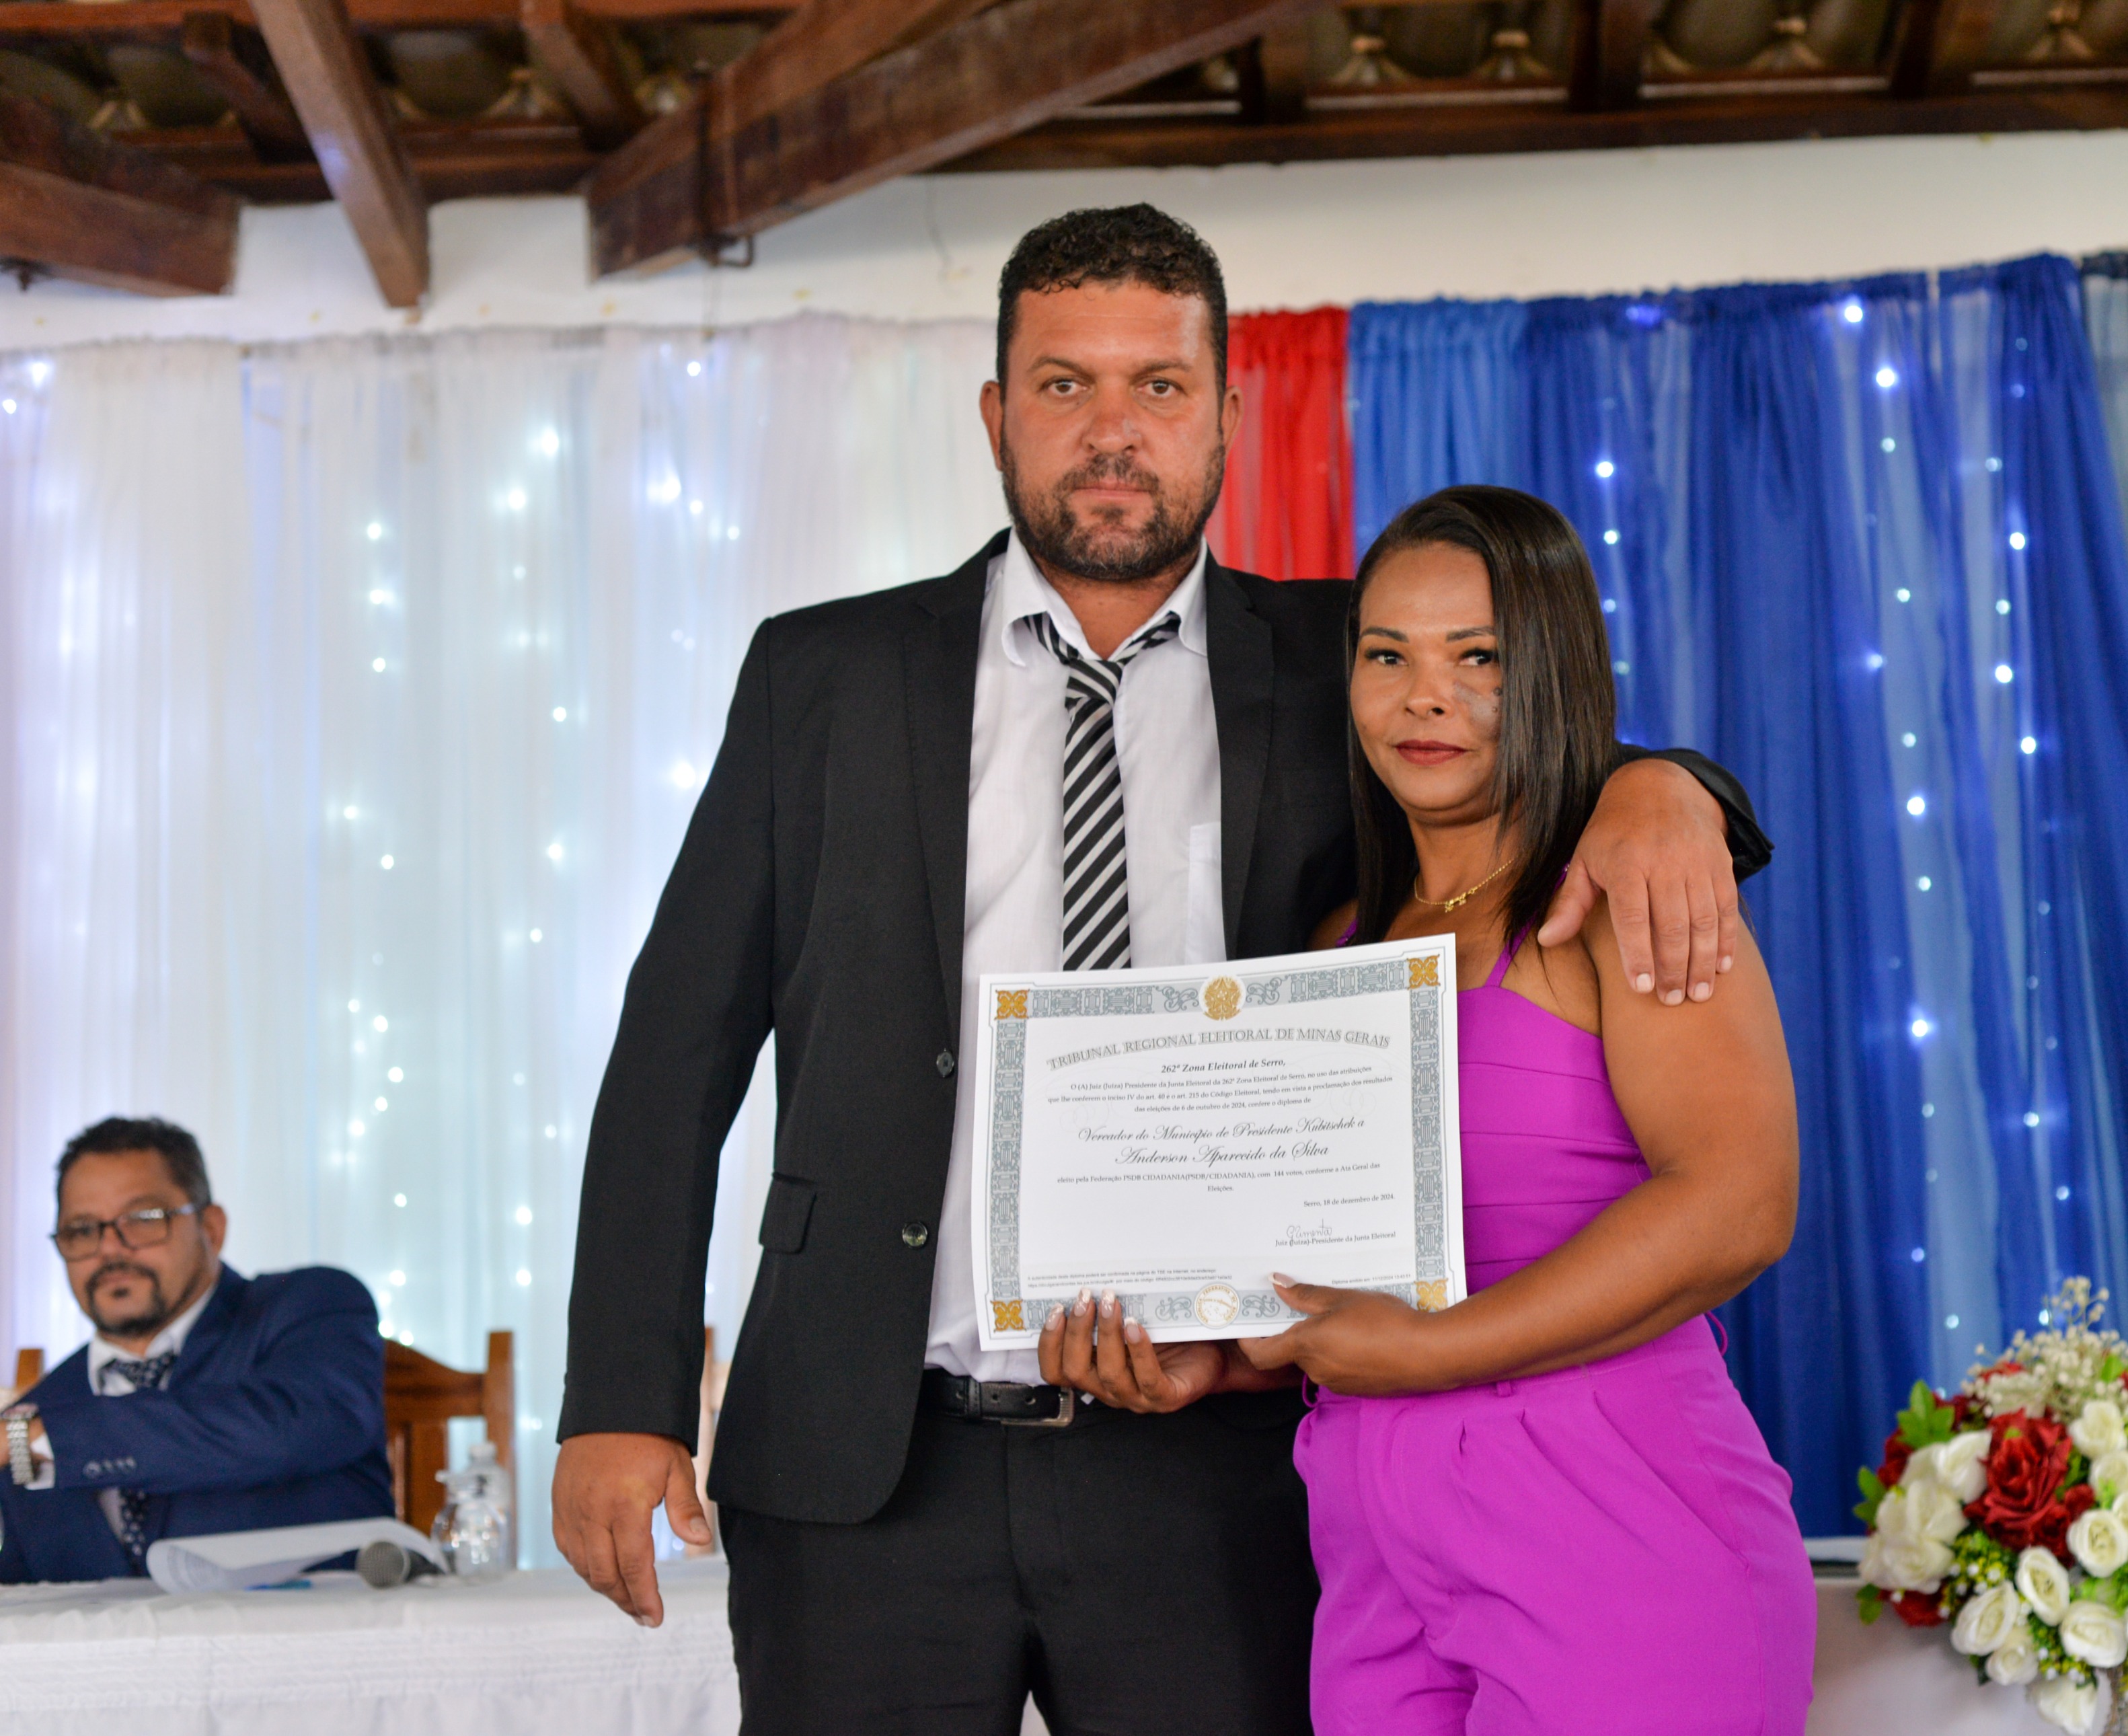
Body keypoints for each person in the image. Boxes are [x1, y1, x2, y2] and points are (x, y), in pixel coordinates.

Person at [552, 204, 1770, 1734]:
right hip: (868, 1457)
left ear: (1226, 418)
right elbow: (674, 1047)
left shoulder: (1341, 660)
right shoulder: (823, 673)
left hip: (1219, 1460)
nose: (1112, 430)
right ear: (996, 414)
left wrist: (1672, 788)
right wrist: (621, 1395)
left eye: (1159, 386)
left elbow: (1525, 735)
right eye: (1065, 384)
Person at [1241, 486, 1815, 1735]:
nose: (1424, 697)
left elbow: (1740, 1204)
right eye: (1386, 655)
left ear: (1550, 668)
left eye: (1478, 657)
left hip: (1620, 1519)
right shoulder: (1339, 941)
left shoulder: (1624, 894)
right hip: (1369, 1547)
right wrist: (1214, 1350)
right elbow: (1334, 1275)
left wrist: (1426, 1352)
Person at [0, 1117, 393, 1583]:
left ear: (211, 1227)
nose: (109, 1249)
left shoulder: (310, 1306)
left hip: (326, 1626)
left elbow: (294, 1425)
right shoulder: (43, 1407)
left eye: (142, 1220)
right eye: (82, 1230)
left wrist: (38, 1437)